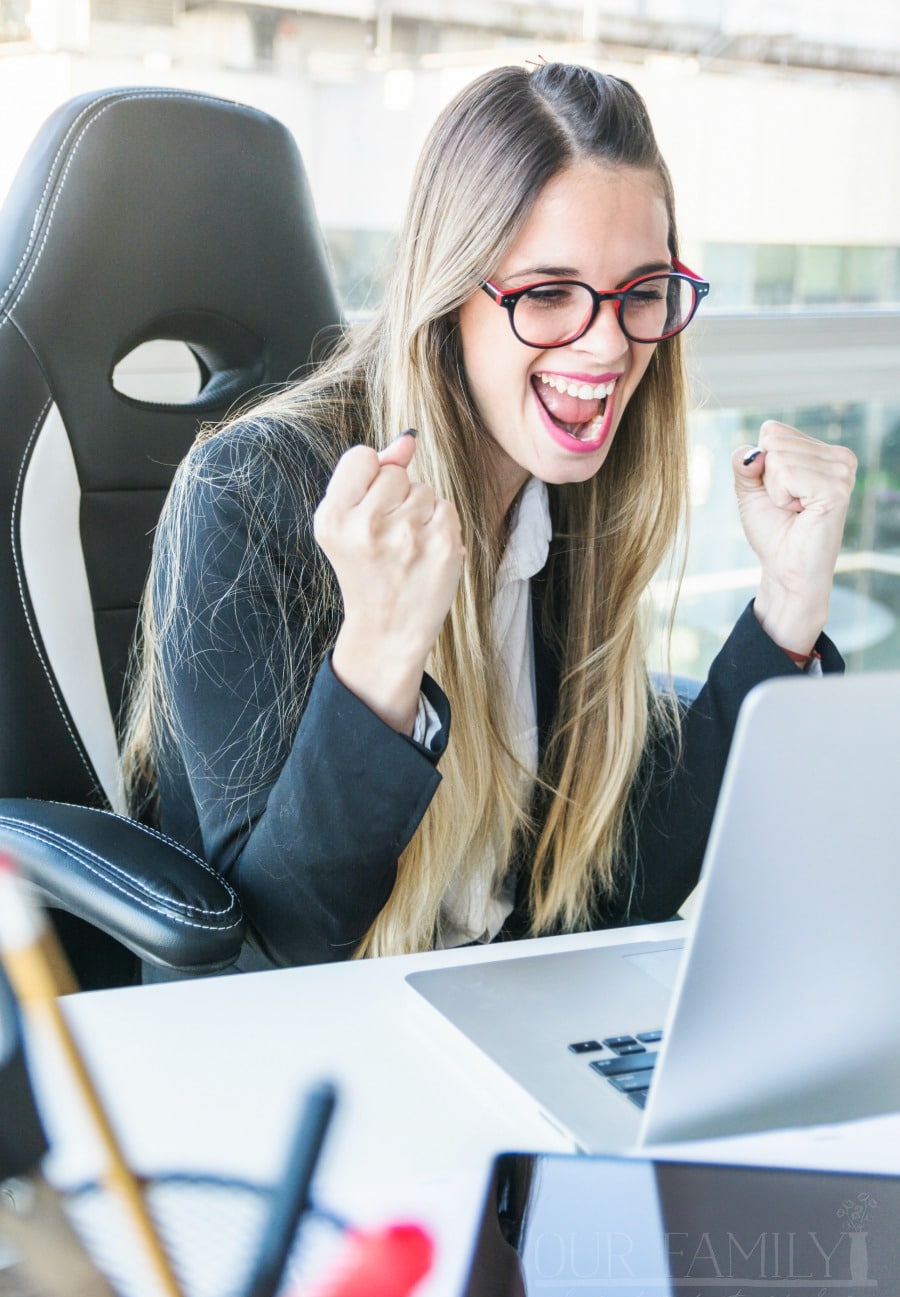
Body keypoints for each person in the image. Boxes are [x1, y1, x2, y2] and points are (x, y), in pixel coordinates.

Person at [120, 62, 855, 973]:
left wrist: (787, 607)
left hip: (501, 1011)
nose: (609, 344)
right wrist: (381, 659)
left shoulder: (573, 496)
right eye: (548, 293)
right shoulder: (248, 496)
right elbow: (277, 951)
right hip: (308, 1051)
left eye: (642, 292)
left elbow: (617, 891)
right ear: (448, 298)